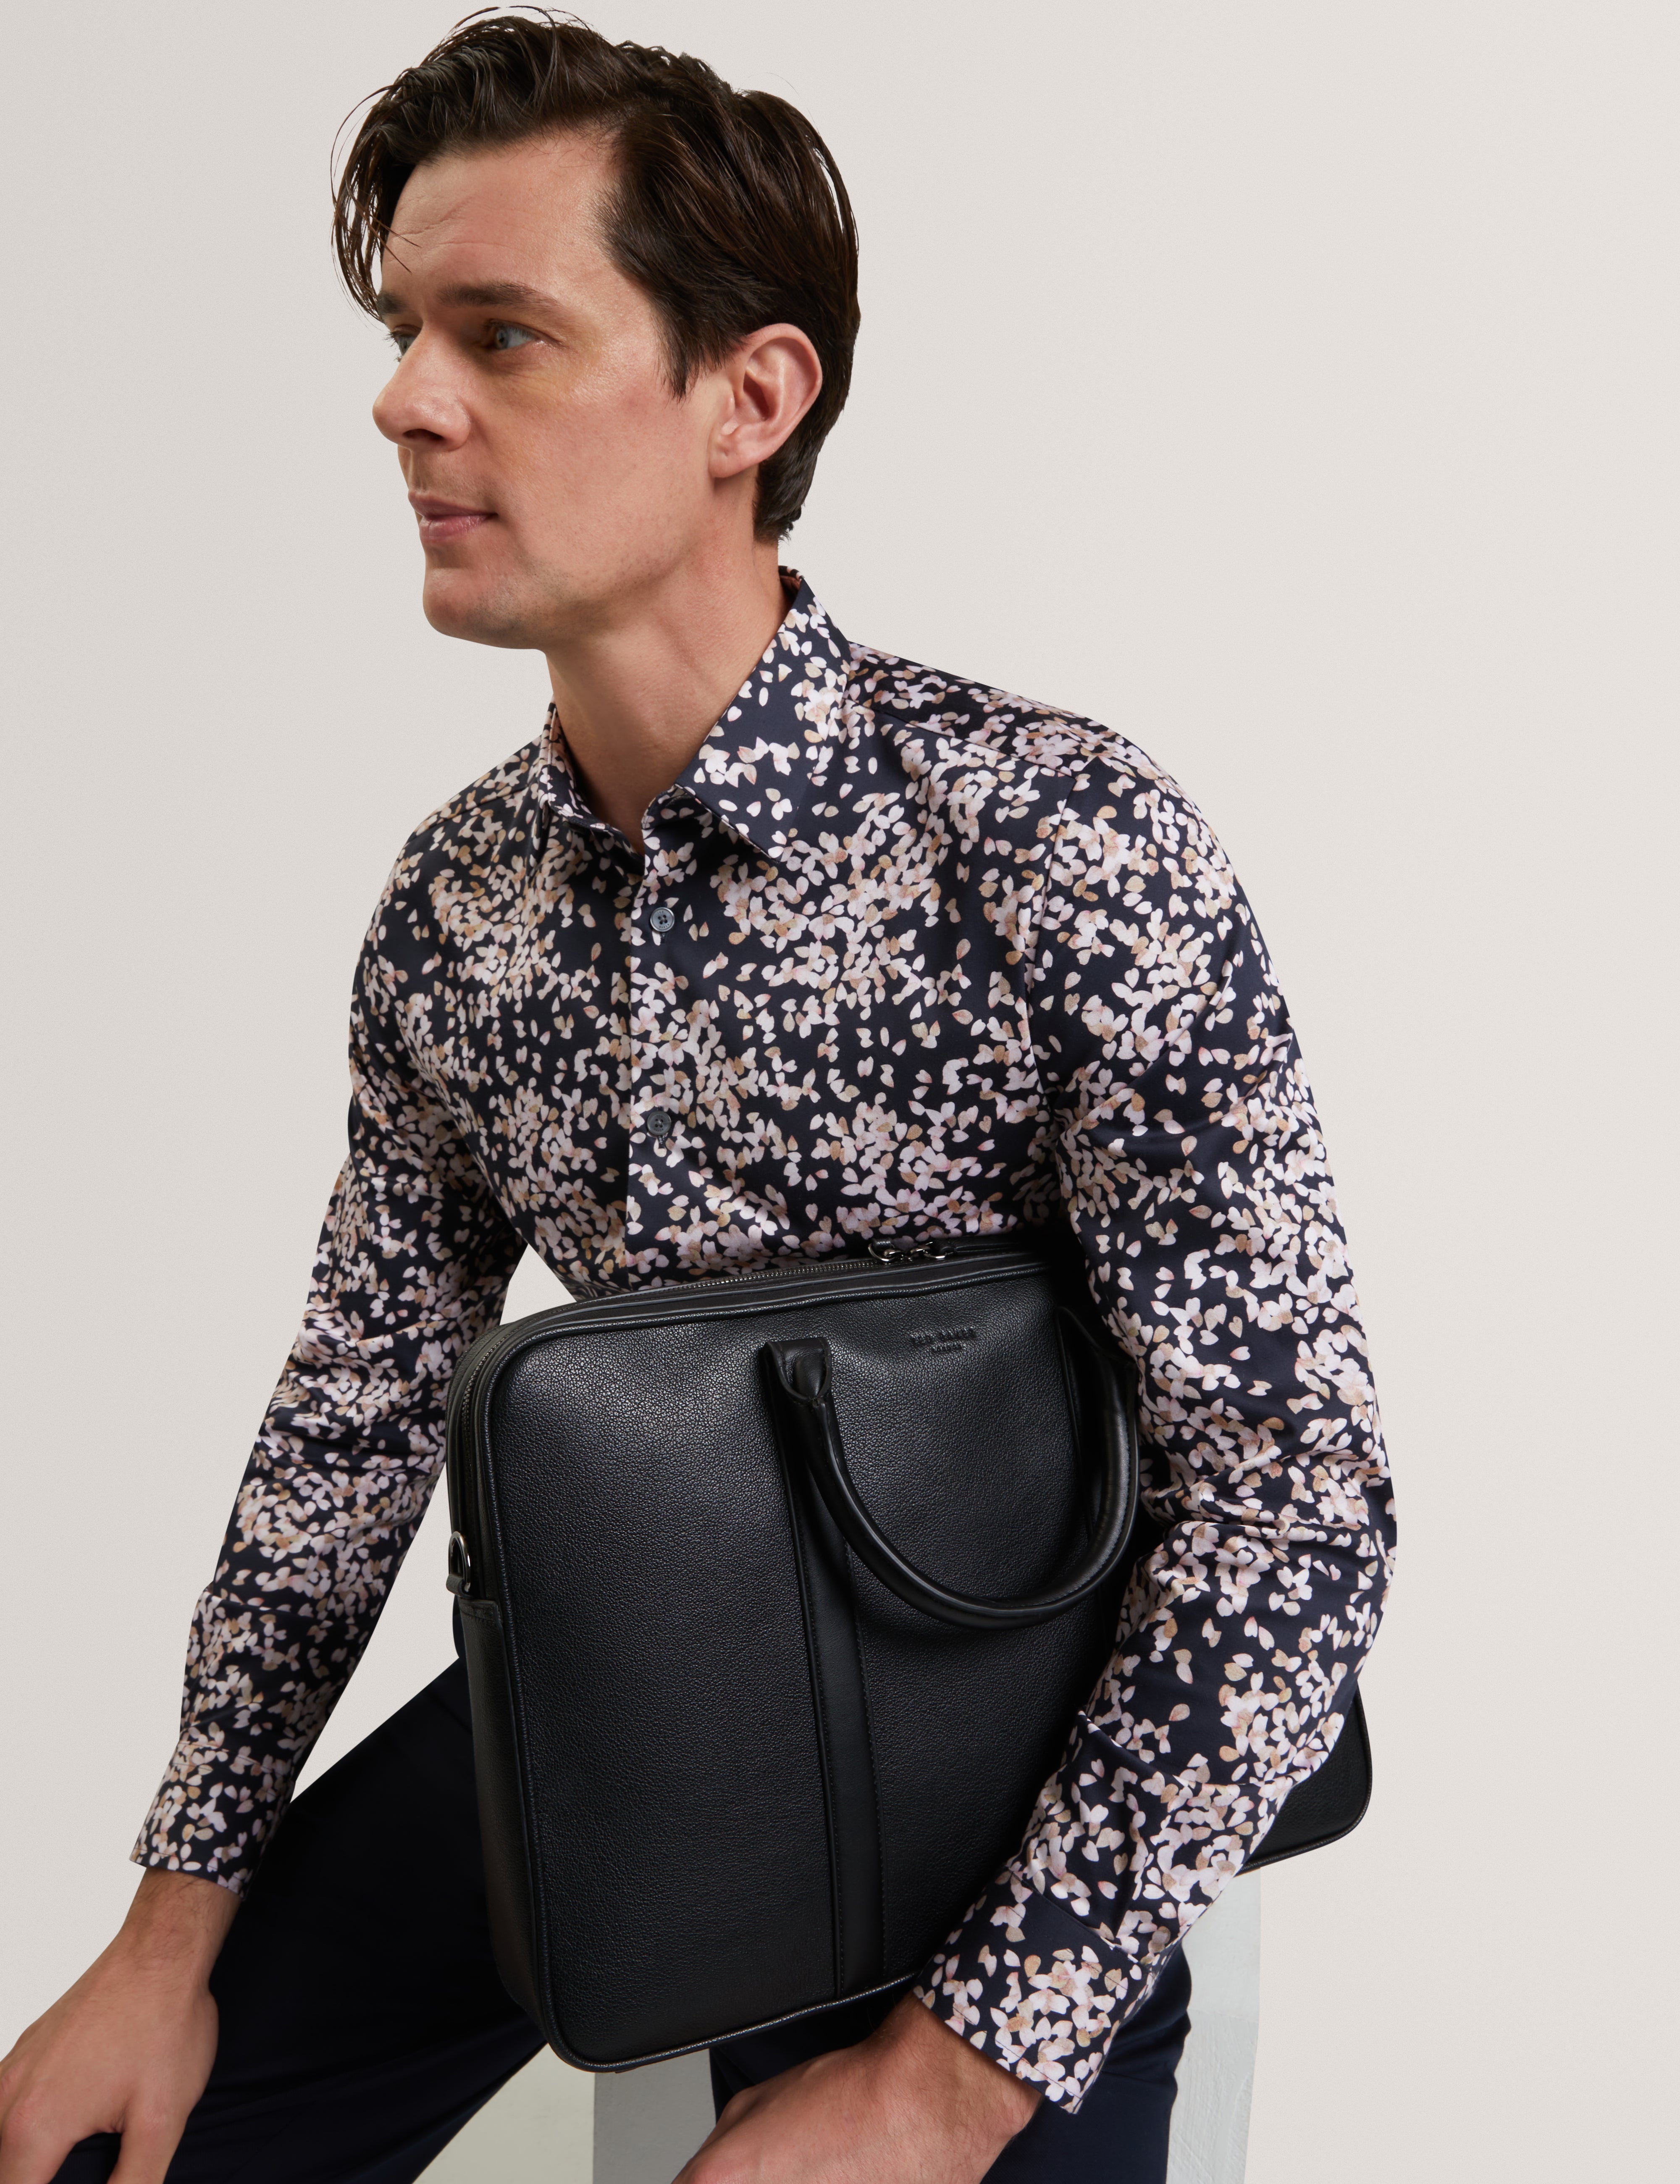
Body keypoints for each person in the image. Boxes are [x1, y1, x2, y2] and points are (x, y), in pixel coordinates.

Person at [0, 14, 1394, 2183]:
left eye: (500, 335)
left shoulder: (1056, 840)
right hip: (635, 1706)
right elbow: (353, 1421)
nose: (405, 400)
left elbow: (1297, 1509)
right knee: (98, 2149)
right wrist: (166, 1933)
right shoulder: (455, 909)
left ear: (750, 398)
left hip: (1021, 1767)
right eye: (402, 334)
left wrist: (942, 2085)